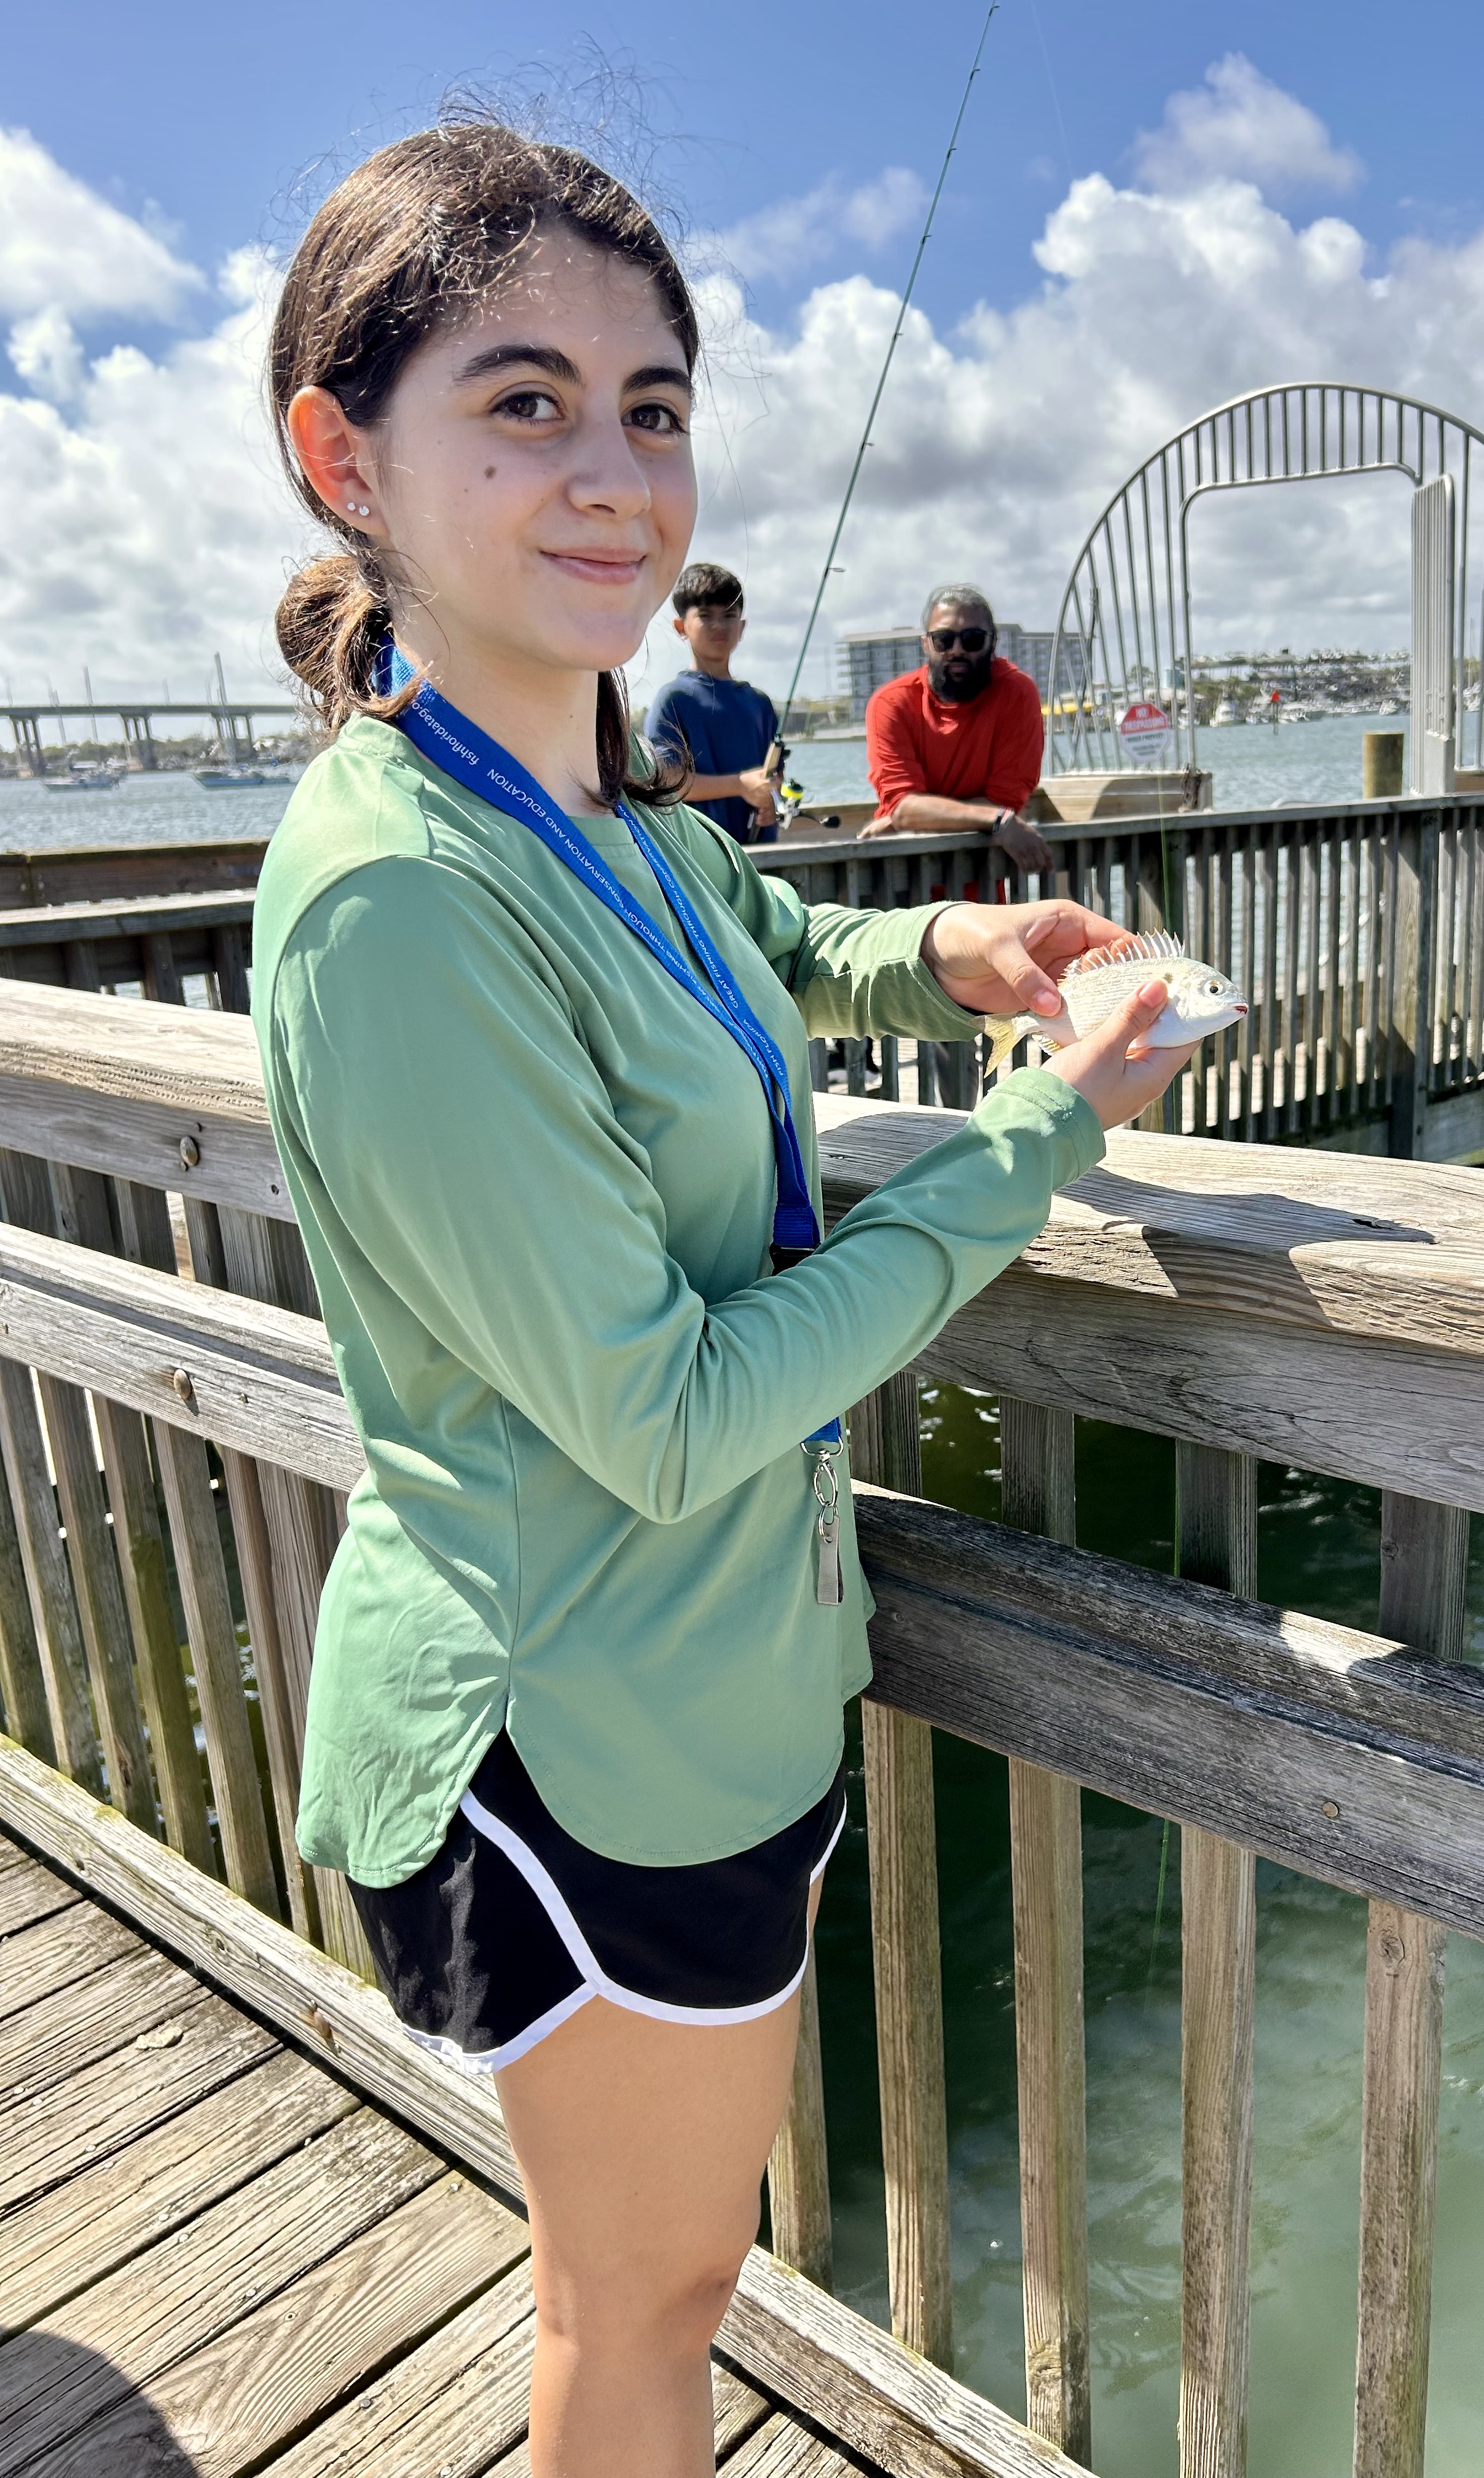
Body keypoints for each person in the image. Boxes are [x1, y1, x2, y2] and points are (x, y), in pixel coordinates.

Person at [256, 119, 1192, 2478]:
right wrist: (1033, 1135)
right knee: (648, 2295)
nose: (613, 473)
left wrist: (952, 943)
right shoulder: (400, 896)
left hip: (713, 1682)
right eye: (525, 400)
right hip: (572, 1723)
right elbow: (664, 1415)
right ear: (340, 459)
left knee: (652, 2271)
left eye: (650, 407)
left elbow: (759, 935)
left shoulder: (602, 790)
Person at [860, 584, 1056, 871]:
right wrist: (998, 820)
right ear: (926, 643)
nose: (958, 650)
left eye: (972, 639)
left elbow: (1004, 800)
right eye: (944, 639)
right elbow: (904, 806)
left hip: (978, 883)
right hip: (898, 880)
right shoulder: (890, 703)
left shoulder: (1017, 694)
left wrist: (915, 817)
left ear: (993, 642)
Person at [643, 562, 781, 845]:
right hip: (701, 857)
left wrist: (770, 798)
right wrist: (740, 785)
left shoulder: (760, 703)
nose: (719, 625)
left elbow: (775, 774)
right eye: (706, 616)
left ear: (741, 627)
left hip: (762, 853)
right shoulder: (673, 699)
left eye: (729, 615)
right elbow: (667, 780)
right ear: (681, 627)